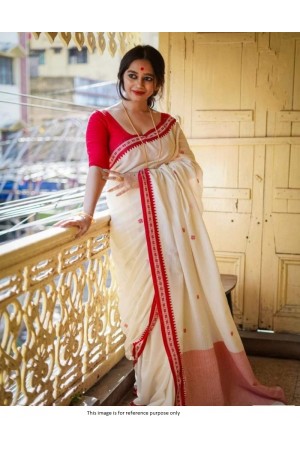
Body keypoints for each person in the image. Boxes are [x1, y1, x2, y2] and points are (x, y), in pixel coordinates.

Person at [56, 45, 286, 406]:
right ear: (122, 76)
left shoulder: (168, 125)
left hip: (171, 231)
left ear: (157, 83)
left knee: (178, 297)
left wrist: (143, 180)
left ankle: (189, 381)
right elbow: (98, 168)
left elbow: (191, 170)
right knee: (147, 305)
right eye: (133, 75)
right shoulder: (101, 119)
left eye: (148, 78)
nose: (139, 84)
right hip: (133, 231)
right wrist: (86, 214)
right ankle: (158, 386)